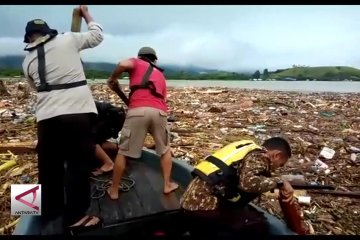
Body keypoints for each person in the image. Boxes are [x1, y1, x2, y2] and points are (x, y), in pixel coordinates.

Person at [22, 5, 104, 233]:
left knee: (49, 166)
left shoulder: (26, 61)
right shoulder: (68, 40)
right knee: (78, 164)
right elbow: (98, 36)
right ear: (48, 31)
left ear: (29, 37)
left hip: (46, 117)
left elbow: (35, 87)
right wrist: (86, 13)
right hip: (76, 111)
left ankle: (48, 210)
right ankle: (76, 217)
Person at [180, 137, 295, 237]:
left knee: (247, 212)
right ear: (277, 155)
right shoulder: (260, 156)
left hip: (190, 204)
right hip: (204, 209)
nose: (277, 168)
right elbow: (248, 184)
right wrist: (280, 182)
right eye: (280, 164)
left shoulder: (246, 148)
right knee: (258, 223)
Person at [106, 46, 178, 200]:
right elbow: (161, 99)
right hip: (159, 112)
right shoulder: (160, 74)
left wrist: (113, 78)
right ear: (154, 59)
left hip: (138, 111)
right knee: (165, 149)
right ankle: (167, 185)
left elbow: (123, 64)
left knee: (123, 151)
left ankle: (114, 190)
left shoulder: (137, 62)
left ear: (140, 56)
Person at [91, 101, 126, 176]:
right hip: (113, 116)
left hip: (110, 118)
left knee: (89, 141)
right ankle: (118, 148)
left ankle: (108, 163)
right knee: (93, 140)